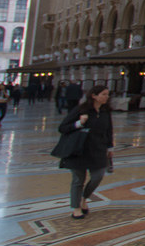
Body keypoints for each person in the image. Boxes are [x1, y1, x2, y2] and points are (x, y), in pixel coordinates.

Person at [58, 84, 114, 219]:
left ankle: (84, 198)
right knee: (78, 180)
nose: (106, 97)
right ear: (94, 96)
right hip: (80, 149)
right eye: (103, 94)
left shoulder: (105, 111)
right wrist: (79, 123)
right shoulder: (81, 110)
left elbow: (109, 130)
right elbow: (62, 127)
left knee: (98, 176)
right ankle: (76, 207)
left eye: (107, 94)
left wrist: (110, 147)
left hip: (98, 149)